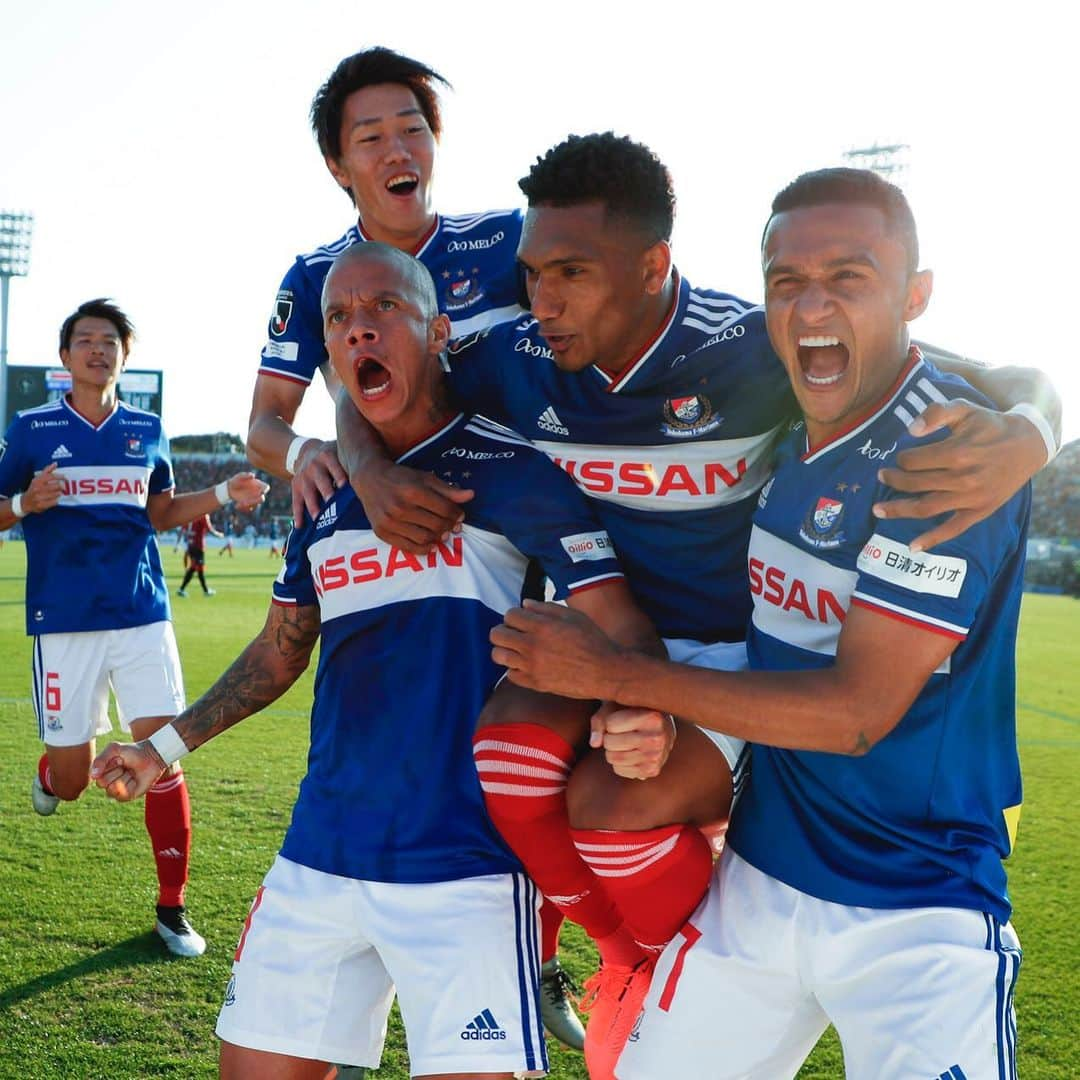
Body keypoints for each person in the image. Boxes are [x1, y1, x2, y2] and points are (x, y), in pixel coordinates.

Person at [336, 133, 1058, 1078]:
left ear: (652, 267)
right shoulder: (537, 360)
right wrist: (357, 459)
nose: (541, 299)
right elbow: (388, 376)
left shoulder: (886, 424)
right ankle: (629, 955)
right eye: (787, 281)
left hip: (905, 890)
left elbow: (853, 712)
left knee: (605, 809)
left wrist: (1036, 425)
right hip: (747, 837)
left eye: (571, 273)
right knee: (513, 762)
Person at [92, 245, 659, 1078]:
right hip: (318, 857)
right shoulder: (324, 499)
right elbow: (280, 652)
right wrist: (159, 749)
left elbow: (622, 625)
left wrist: (630, 706)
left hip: (467, 870)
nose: (358, 328)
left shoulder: (513, 470)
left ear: (437, 330)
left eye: (382, 308)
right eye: (337, 319)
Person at [0, 298, 268, 958]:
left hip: (143, 614)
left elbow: (160, 513)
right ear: (65, 357)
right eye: (85, 339)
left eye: (110, 340)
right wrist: (22, 503)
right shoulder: (30, 428)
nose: (98, 349)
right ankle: (52, 771)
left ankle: (172, 909)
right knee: (72, 780)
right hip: (63, 623)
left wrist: (224, 495)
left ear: (125, 354)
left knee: (164, 754)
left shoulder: (147, 428)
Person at [247, 47, 524, 502]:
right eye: (371, 139)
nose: (398, 151)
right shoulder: (316, 276)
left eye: (413, 130)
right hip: (403, 511)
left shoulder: (509, 239)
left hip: (523, 497)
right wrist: (306, 453)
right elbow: (264, 427)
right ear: (338, 168)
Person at [178, 512, 222, 596]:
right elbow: (209, 529)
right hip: (198, 546)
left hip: (191, 546)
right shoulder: (203, 515)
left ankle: (183, 589)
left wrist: (178, 543)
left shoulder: (191, 514)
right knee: (197, 568)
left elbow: (184, 529)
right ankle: (205, 591)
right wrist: (218, 534)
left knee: (196, 568)